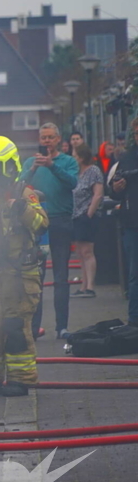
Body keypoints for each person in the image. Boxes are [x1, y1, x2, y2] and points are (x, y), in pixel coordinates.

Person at [0, 136, 49, 397]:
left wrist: (22, 209)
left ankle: (21, 380)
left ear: (6, 165)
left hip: (18, 274)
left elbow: (42, 225)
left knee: (15, 328)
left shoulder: (22, 193)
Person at [21, 123, 79, 339]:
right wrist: (34, 168)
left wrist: (52, 165)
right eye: (43, 137)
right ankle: (34, 328)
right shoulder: (30, 162)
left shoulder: (68, 161)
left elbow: (73, 182)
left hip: (61, 222)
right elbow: (19, 185)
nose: (46, 141)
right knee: (36, 277)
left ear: (58, 139)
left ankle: (61, 328)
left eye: (50, 137)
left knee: (61, 277)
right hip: (37, 227)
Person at [107, 117, 138, 327]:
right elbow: (113, 191)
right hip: (132, 223)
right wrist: (116, 189)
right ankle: (134, 321)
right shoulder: (127, 158)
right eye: (136, 133)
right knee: (134, 275)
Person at [70, 143, 104, 299]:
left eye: (75, 155)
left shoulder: (94, 171)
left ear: (82, 157)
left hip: (87, 215)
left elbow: (98, 194)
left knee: (87, 251)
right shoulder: (76, 172)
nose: (73, 157)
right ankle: (83, 285)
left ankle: (90, 286)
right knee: (79, 252)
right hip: (76, 216)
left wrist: (89, 214)